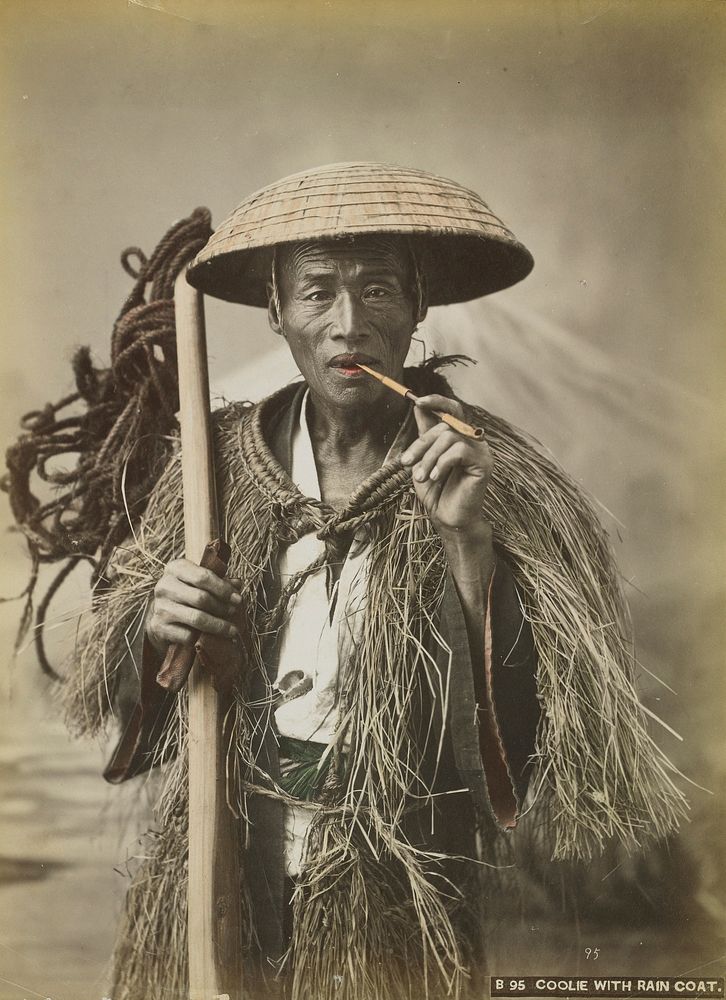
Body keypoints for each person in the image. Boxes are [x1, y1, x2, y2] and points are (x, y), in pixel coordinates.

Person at [67, 163, 685, 1000]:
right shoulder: (216, 467)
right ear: (278, 310)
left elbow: (531, 742)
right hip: (216, 867)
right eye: (317, 292)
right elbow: (113, 678)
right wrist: (157, 624)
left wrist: (469, 543)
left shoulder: (493, 476)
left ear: (420, 304)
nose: (348, 324)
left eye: (379, 290)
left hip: (392, 894)